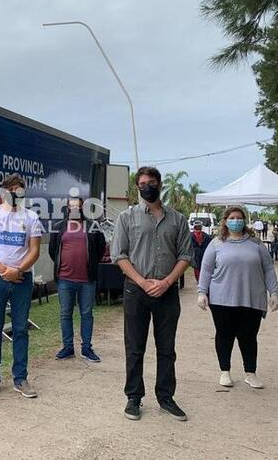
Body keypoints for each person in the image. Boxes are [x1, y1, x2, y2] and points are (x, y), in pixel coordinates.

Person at [111, 166, 192, 421]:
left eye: (152, 182)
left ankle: (166, 397)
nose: (147, 186)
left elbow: (185, 256)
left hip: (167, 293)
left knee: (167, 348)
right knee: (135, 347)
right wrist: (143, 282)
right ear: (137, 187)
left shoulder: (178, 219)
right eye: (142, 183)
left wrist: (167, 282)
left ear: (159, 184)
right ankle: (134, 397)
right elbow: (120, 256)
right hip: (137, 290)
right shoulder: (127, 218)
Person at [197, 206, 278, 389]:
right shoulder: (216, 243)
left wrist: (274, 292)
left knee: (248, 336)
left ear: (244, 221)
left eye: (239, 217)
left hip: (251, 298)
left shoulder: (255, 243)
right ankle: (225, 372)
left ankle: (250, 373)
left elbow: (268, 269)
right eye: (232, 217)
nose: (236, 221)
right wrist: (202, 292)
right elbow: (206, 268)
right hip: (222, 299)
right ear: (226, 221)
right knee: (224, 335)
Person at [0, 173, 42, 399]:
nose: (16, 193)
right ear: (4, 192)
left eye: (20, 189)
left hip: (22, 280)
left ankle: (20, 378)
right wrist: (4, 270)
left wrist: (18, 270)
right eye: (12, 189)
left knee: (21, 328)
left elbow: (35, 250)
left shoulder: (31, 217)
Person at [47, 197, 106, 362]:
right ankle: (68, 348)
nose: (75, 208)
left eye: (78, 206)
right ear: (67, 208)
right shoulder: (59, 227)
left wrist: (91, 265)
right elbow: (53, 251)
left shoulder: (92, 227)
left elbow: (100, 249)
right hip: (65, 279)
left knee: (86, 314)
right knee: (65, 314)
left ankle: (87, 348)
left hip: (87, 280)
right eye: (71, 206)